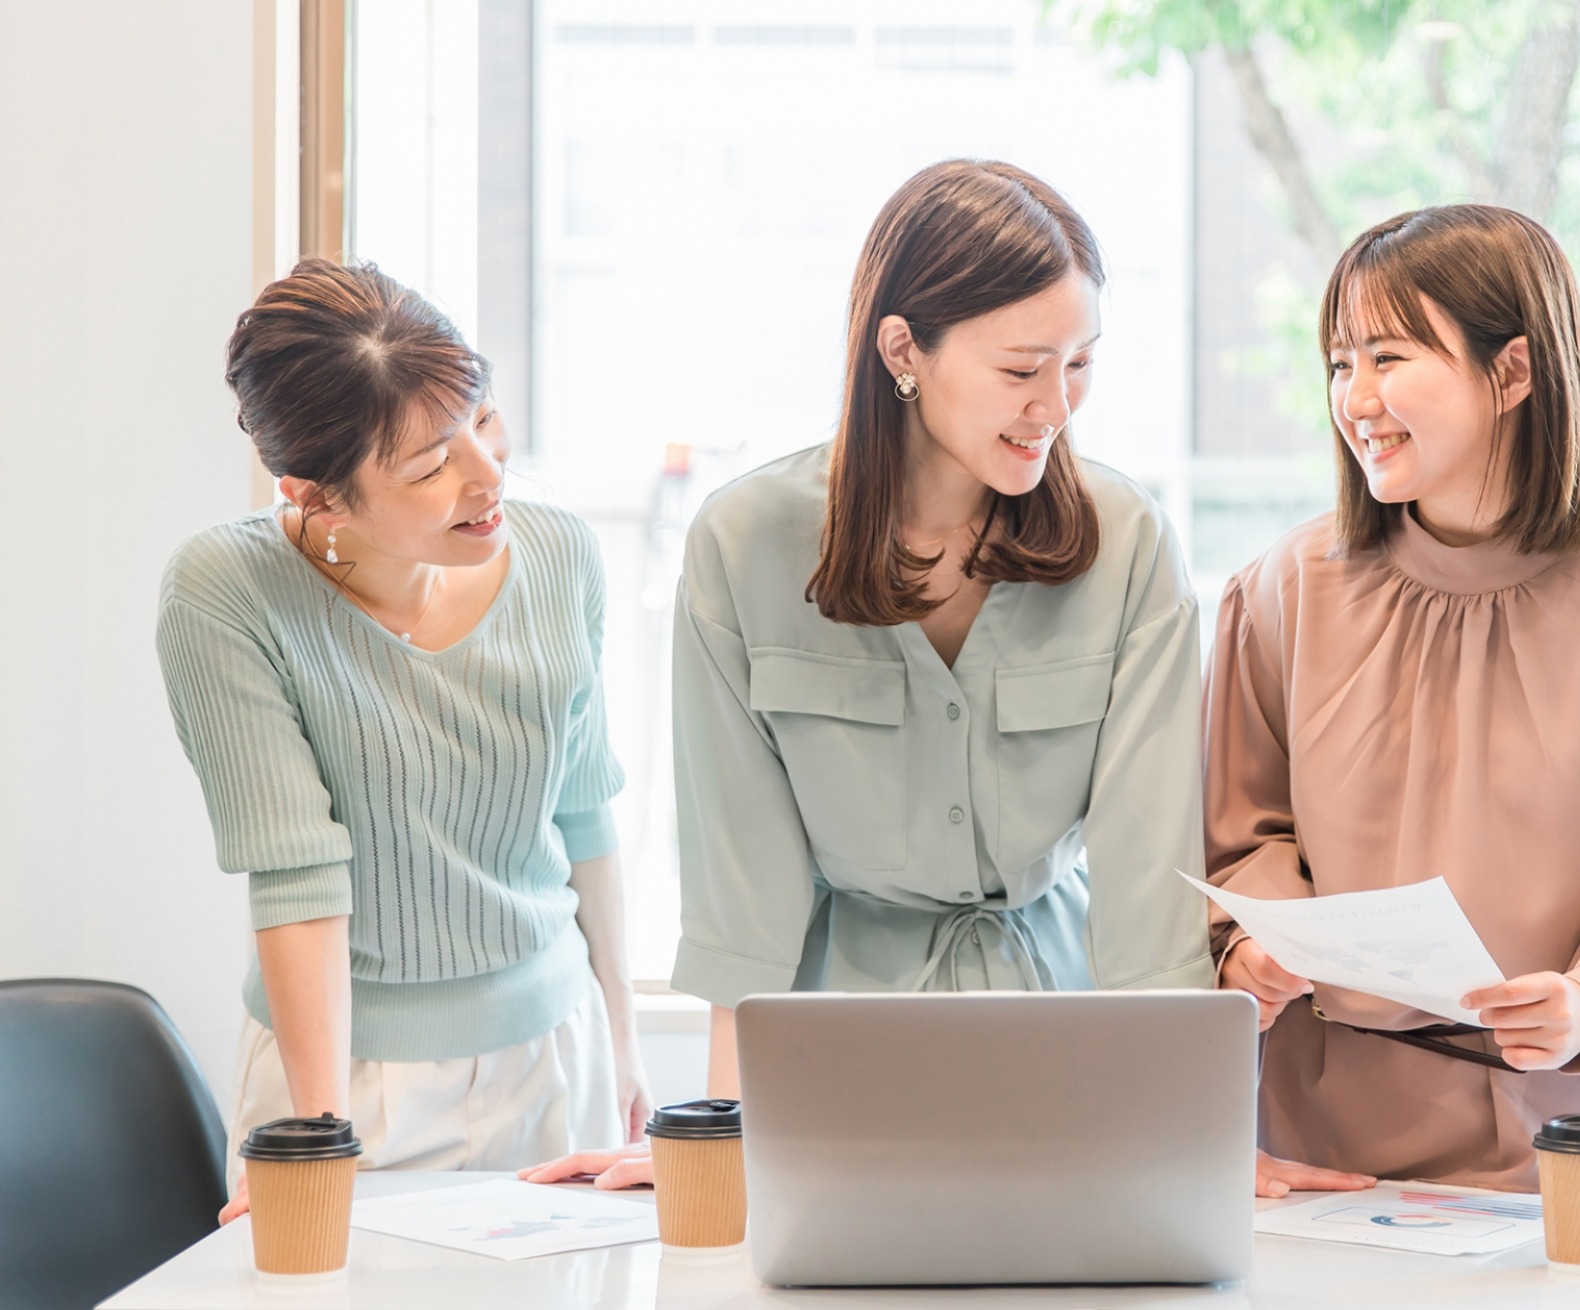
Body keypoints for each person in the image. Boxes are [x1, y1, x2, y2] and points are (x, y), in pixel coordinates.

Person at [524, 159, 1212, 1191]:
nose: (1054, 406)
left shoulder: (1127, 543)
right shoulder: (745, 543)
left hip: (1070, 1055)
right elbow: (741, 895)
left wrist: (1191, 1144)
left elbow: (1148, 887)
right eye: (1022, 368)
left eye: (1080, 363)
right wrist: (721, 1146)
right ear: (903, 348)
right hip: (829, 1065)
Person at [1205, 204, 1580, 1195]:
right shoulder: (1282, 592)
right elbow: (1234, 831)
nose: (1355, 396)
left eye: (1388, 356)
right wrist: (1251, 944)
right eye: (1340, 362)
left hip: (1549, 1167)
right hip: (1304, 1158)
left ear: (1513, 371)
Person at [157, 261, 648, 1223]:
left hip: (559, 1053)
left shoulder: (559, 554)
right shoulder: (227, 594)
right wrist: (319, 1137)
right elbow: (298, 879)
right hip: (344, 1079)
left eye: (484, 416)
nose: (486, 471)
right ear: (319, 497)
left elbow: (584, 811)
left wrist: (623, 1041)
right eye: (429, 467)